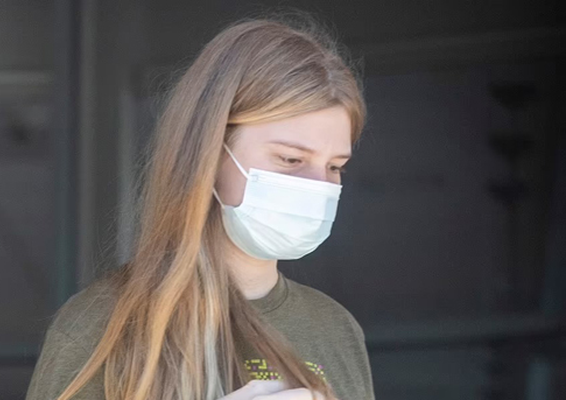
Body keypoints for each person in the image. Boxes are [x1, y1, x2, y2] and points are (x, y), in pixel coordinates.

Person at [25, 15, 374, 400]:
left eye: (335, 167)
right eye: (290, 159)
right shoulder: (103, 326)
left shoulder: (335, 329)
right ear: (210, 153)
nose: (317, 185)